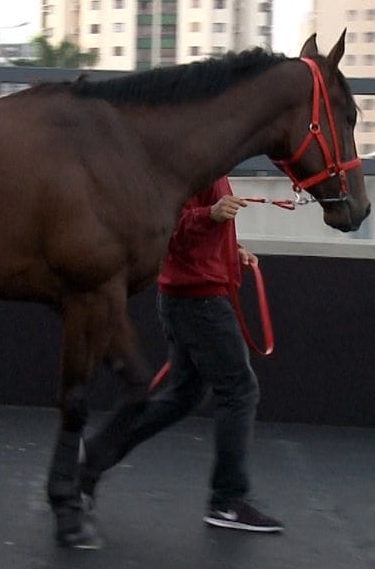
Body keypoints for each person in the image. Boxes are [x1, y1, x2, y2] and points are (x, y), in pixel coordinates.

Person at [85, 176, 283, 533]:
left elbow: (195, 235)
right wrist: (211, 216)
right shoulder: (198, 167)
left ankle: (93, 459)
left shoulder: (211, 166)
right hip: (199, 302)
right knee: (239, 391)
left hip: (190, 298)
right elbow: (168, 229)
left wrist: (229, 252)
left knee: (182, 395)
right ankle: (226, 502)